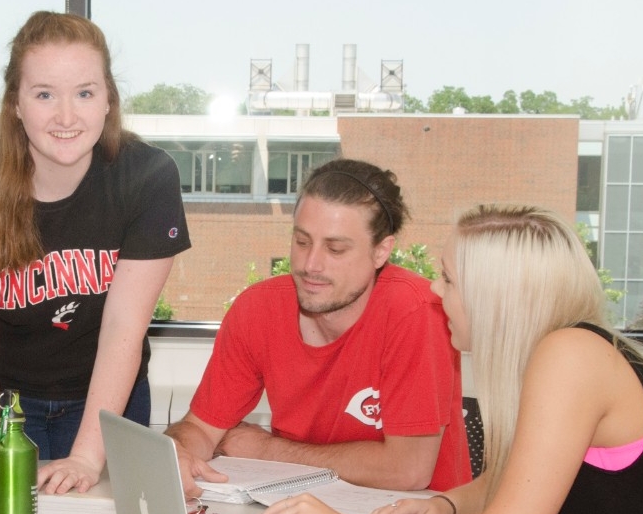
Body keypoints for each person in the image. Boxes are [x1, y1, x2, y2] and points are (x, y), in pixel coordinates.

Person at [259, 204, 643, 514]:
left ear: (495, 297)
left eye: (447, 279)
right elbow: (511, 481)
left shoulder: (571, 357)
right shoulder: (562, 353)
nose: (433, 290)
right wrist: (445, 504)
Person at [0, 11, 191, 494]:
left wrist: (88, 454)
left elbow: (122, 333)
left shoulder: (148, 178)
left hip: (106, 405)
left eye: (84, 93)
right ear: (15, 106)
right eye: (44, 94)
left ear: (108, 98)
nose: (66, 117)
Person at [165, 158, 470, 497]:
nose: (311, 265)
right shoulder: (256, 309)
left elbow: (407, 470)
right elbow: (200, 429)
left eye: (335, 249)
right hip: (301, 503)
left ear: (381, 251)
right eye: (302, 241)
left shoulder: (417, 311)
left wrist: (267, 449)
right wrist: (177, 450)